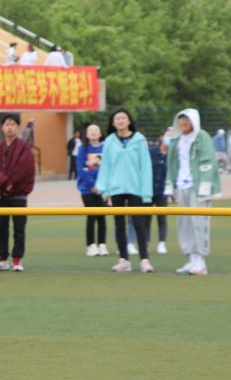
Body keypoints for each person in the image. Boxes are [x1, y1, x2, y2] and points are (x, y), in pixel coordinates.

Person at [94, 108, 154, 273]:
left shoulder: (140, 140)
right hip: (116, 188)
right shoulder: (110, 141)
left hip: (136, 188)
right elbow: (106, 166)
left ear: (129, 121)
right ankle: (123, 260)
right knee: (119, 225)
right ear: (113, 123)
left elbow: (146, 166)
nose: (120, 121)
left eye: (123, 118)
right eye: (117, 118)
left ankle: (144, 260)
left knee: (139, 223)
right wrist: (104, 189)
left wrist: (146, 193)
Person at [164, 109, 220, 276]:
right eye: (181, 119)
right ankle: (191, 259)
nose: (183, 123)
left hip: (198, 187)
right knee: (185, 224)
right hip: (182, 186)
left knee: (199, 223)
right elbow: (171, 164)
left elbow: (208, 161)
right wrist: (170, 187)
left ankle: (201, 261)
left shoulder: (202, 136)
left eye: (187, 120)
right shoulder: (176, 140)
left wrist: (205, 186)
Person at [0, 114, 35, 271]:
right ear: (2, 127)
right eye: (7, 124)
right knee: (1, 227)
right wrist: (4, 183)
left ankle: (17, 259)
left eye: (13, 124)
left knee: (19, 227)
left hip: (19, 194)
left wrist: (11, 183)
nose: (9, 127)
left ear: (17, 127)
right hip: (1, 194)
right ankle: (2, 257)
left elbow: (25, 169)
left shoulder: (24, 148)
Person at [76, 123, 107, 257]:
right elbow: (80, 169)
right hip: (87, 190)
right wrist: (92, 185)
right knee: (91, 215)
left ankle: (102, 245)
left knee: (102, 216)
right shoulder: (82, 149)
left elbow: (108, 168)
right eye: (90, 130)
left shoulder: (106, 148)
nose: (93, 132)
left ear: (100, 133)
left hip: (102, 189)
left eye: (96, 130)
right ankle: (91, 245)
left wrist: (102, 186)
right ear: (87, 135)